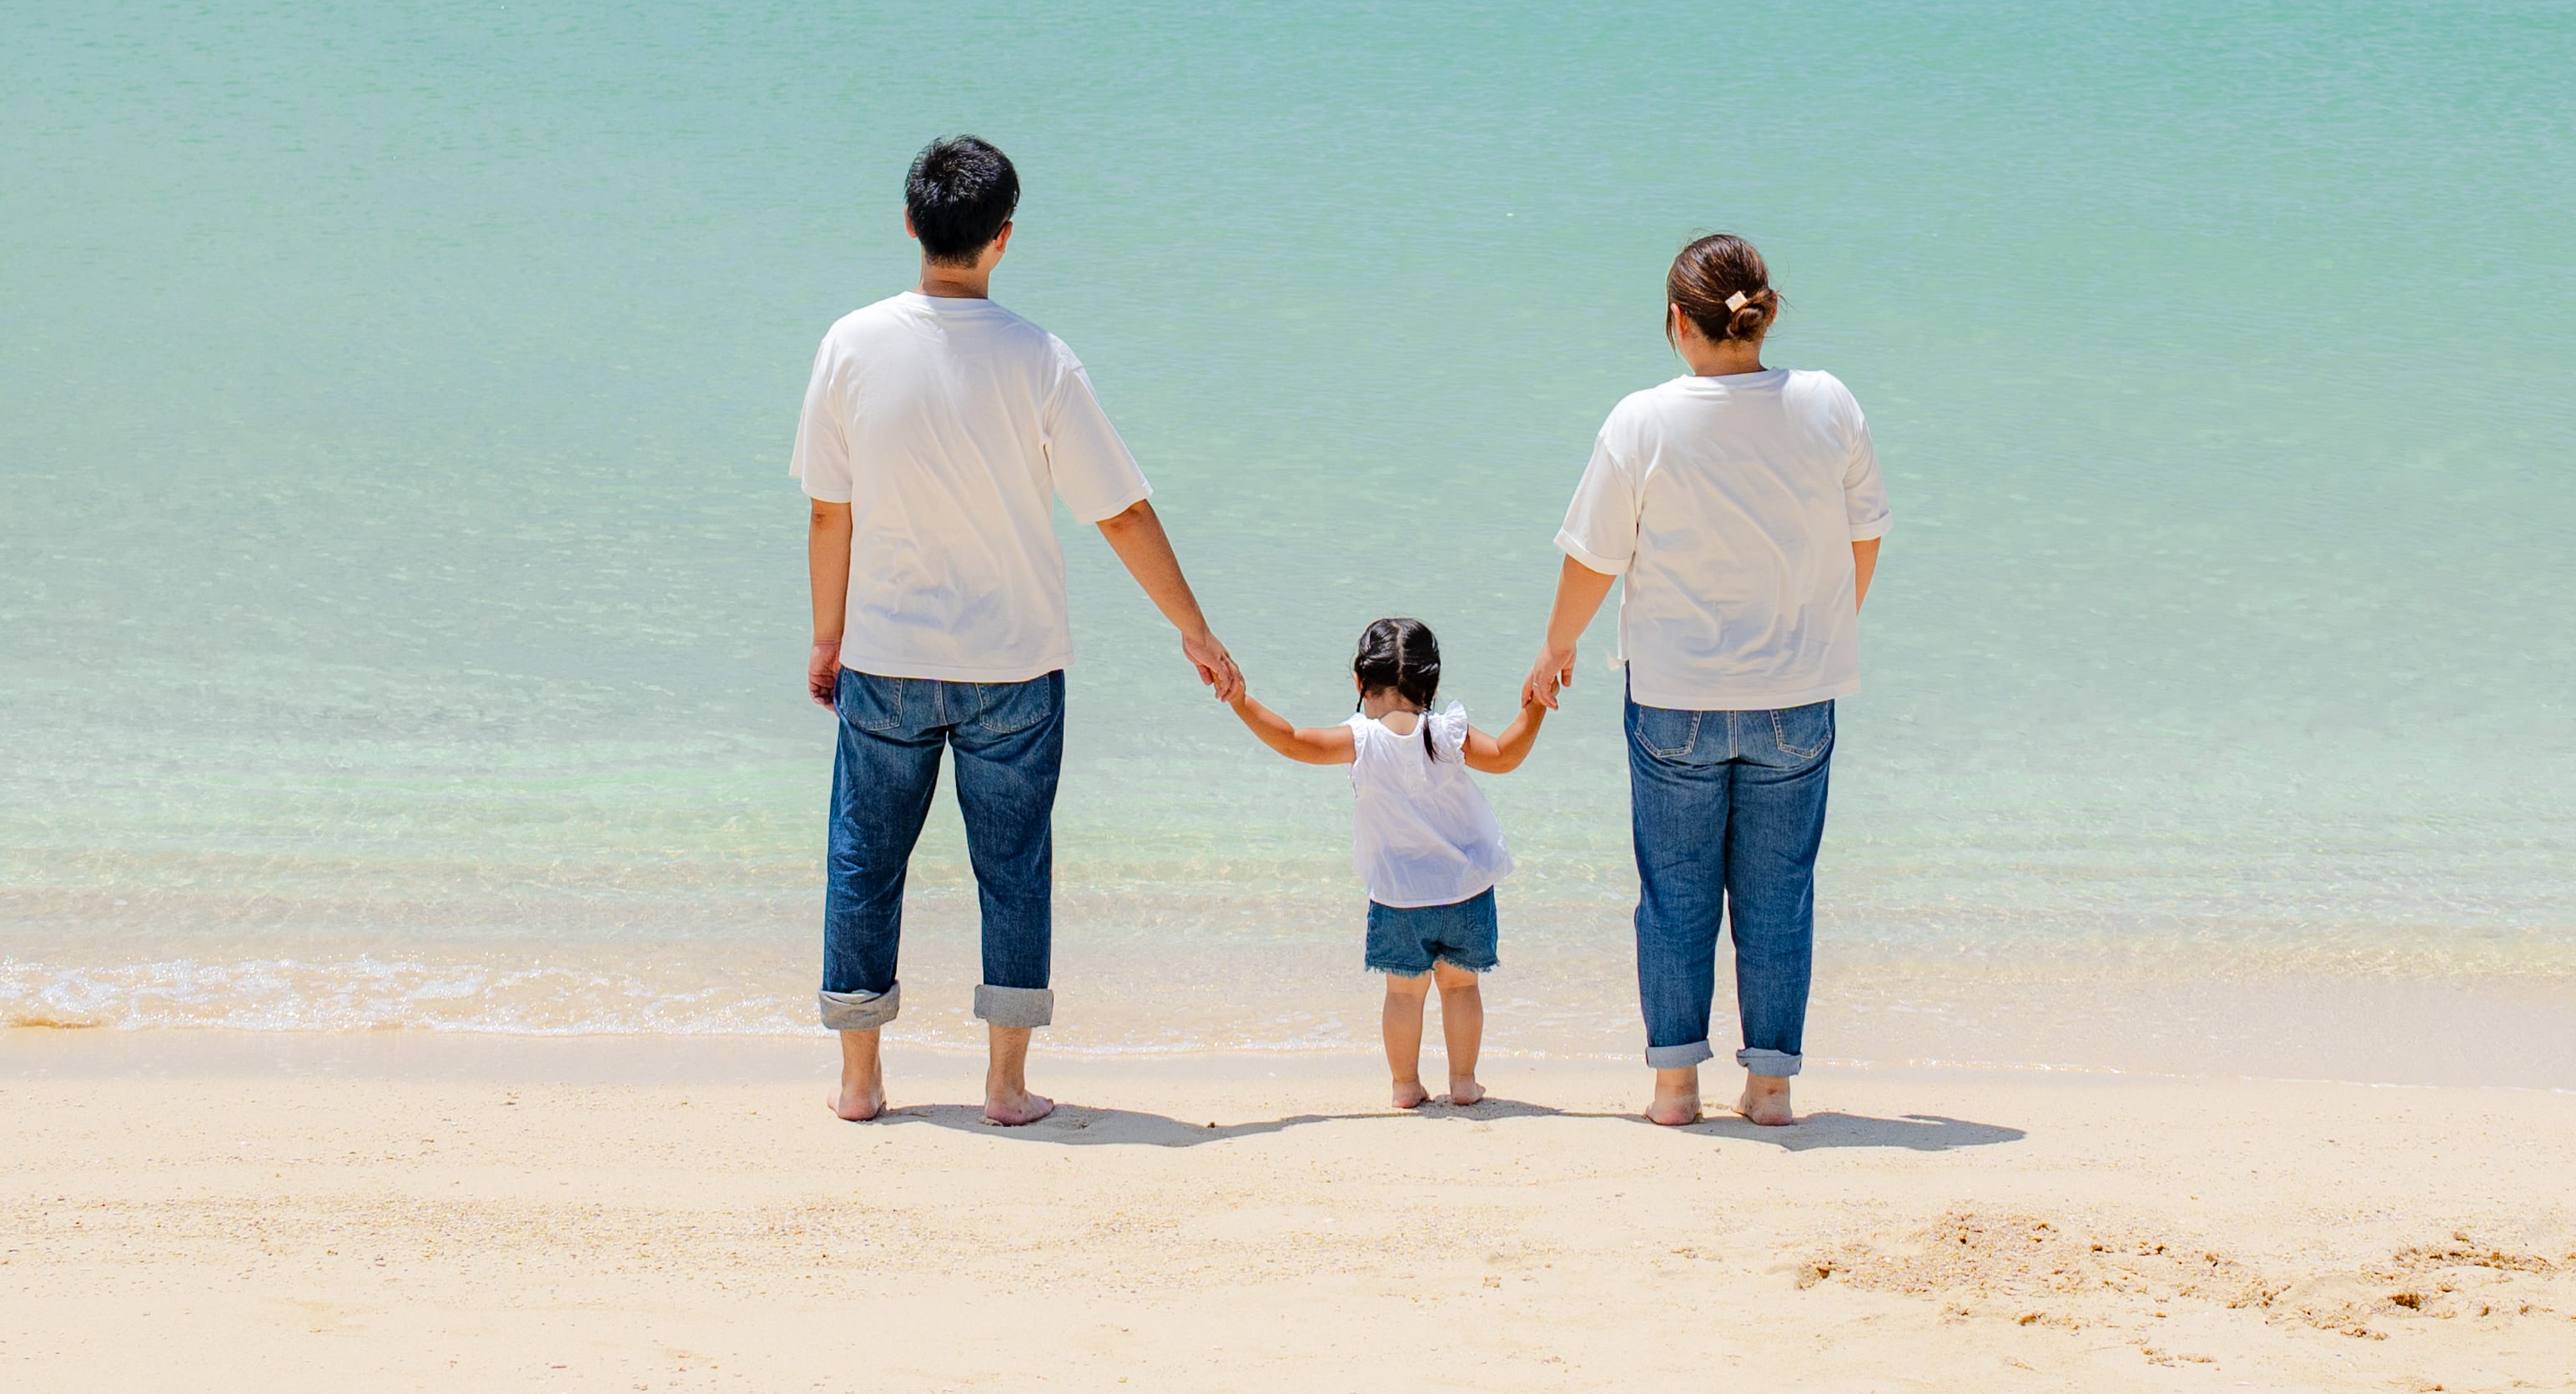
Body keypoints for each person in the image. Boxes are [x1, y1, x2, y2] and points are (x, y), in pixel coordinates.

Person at [792, 133, 1245, 1127]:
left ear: (911, 224)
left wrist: (827, 636)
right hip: (1015, 666)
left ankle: (862, 1081)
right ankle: (1002, 1085)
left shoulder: (850, 343)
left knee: (867, 858)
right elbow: (1118, 511)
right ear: (1003, 239)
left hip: (886, 656)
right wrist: (1195, 630)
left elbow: (831, 511)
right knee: (1013, 866)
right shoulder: (1042, 358)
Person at [1518, 229, 1885, 1130]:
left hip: (1676, 699)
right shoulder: (1829, 402)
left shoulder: (1642, 418)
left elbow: (1594, 558)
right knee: (1779, 892)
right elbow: (1865, 532)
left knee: (1675, 891)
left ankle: (1675, 1086)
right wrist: (1823, 628)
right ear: (1761, 316)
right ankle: (1769, 1088)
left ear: (1677, 321)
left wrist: (1554, 648)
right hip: (1798, 697)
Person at [1215, 613, 1558, 1108]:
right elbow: (1505, 755)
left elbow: (1291, 739)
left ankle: (1405, 1086)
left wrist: (1240, 701)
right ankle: (1463, 1083)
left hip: (1398, 898)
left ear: (1360, 681)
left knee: (1403, 995)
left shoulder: (1360, 740)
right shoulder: (1446, 733)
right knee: (1461, 989)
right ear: (1431, 684)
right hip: (1465, 891)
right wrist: (1537, 704)